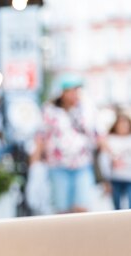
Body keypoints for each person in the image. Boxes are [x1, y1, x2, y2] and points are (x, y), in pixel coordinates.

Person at [30, 75, 101, 213]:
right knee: (61, 208)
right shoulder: (49, 110)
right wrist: (34, 165)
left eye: (76, 90)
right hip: (57, 165)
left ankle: (80, 234)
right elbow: (40, 137)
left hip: (82, 163)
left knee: (82, 206)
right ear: (61, 92)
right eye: (71, 90)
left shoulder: (87, 108)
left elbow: (98, 134)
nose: (75, 93)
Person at [100, 112, 131, 209]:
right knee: (116, 207)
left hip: (129, 178)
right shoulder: (109, 140)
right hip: (115, 178)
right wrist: (106, 180)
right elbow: (104, 161)